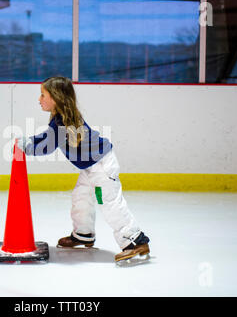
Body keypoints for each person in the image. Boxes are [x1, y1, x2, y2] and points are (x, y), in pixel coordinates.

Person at [16, 76, 150, 263]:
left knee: (109, 203)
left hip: (101, 166)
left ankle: (135, 241)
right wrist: (30, 140)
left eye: (42, 95)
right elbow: (48, 136)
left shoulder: (64, 120)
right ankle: (83, 234)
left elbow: (48, 146)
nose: (39, 99)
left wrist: (27, 147)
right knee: (80, 199)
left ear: (55, 97)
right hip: (90, 167)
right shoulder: (60, 117)